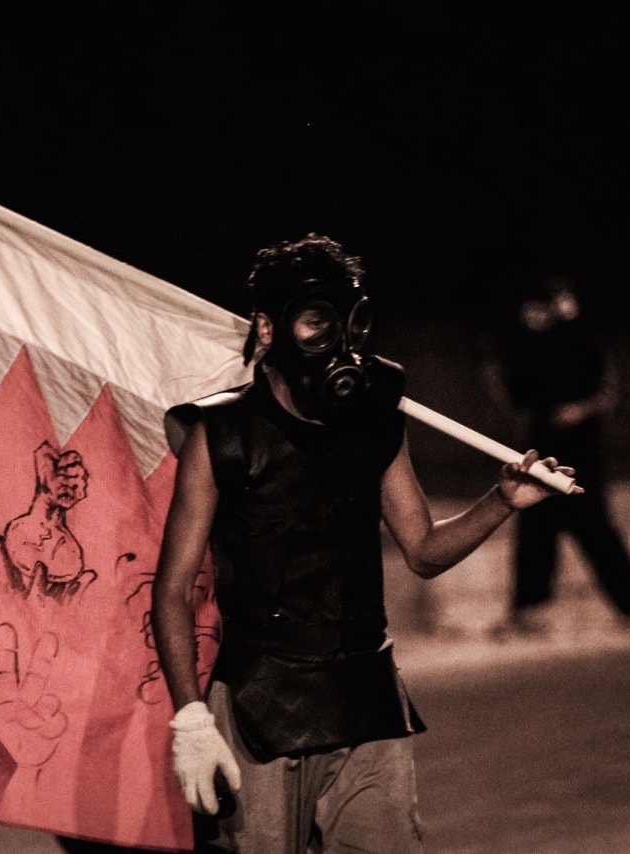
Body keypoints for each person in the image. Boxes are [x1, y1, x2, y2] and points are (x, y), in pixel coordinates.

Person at [150, 233, 577, 852]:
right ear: (268, 330)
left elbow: (424, 550)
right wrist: (190, 718)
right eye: (316, 322)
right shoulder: (220, 435)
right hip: (257, 705)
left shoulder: (375, 413)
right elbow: (171, 590)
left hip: (366, 697)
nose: (339, 345)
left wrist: (502, 501)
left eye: (349, 324)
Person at [478, 272, 630, 635]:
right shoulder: (525, 347)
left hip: (582, 449)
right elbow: (513, 396)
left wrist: (578, 410)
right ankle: (529, 611)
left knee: (593, 526)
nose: (533, 315)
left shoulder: (586, 343)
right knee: (535, 529)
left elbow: (607, 393)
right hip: (541, 448)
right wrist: (495, 381)